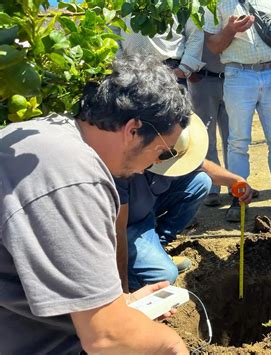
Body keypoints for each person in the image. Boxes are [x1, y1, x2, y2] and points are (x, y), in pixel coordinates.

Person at [0, 55, 190, 353]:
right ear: (133, 130)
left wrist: (116, 304)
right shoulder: (76, 176)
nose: (155, 163)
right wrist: (171, 343)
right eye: (162, 152)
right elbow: (105, 336)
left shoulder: (46, 135)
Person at [115, 114, 253, 291]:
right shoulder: (128, 167)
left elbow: (202, 166)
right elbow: (118, 230)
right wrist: (122, 290)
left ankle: (158, 246)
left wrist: (236, 181)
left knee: (201, 181)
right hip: (128, 225)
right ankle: (138, 270)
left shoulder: (171, 149)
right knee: (164, 275)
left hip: (146, 209)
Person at [204, 0, 271, 220]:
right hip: (237, 74)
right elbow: (213, 46)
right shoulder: (214, 3)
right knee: (237, 141)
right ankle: (238, 193)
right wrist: (230, 30)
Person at [188, 37, 231, 207]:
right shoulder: (195, 11)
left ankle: (237, 185)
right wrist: (188, 68)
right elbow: (186, 37)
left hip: (232, 77)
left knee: (234, 137)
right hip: (202, 79)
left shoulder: (232, 10)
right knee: (206, 137)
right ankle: (213, 188)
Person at [118, 16, 205, 86]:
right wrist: (118, 66)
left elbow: (195, 32)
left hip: (170, 70)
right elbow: (112, 27)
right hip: (129, 69)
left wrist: (184, 68)